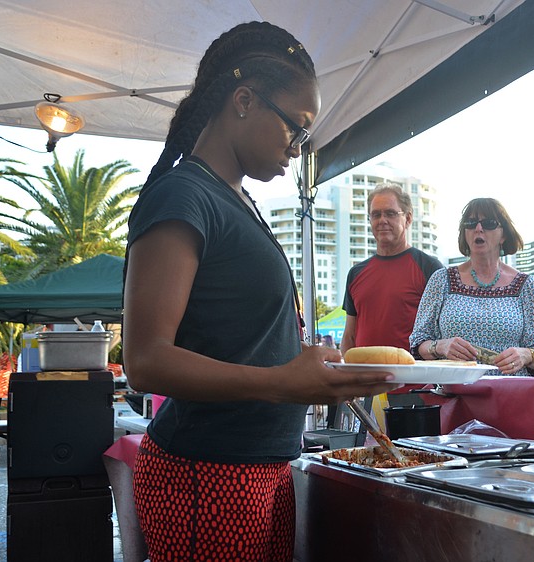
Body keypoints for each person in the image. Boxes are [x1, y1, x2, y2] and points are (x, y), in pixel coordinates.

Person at [122, 22, 399, 561]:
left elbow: (236, 337)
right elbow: (144, 360)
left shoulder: (236, 201)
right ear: (243, 100)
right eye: (295, 128)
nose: (298, 148)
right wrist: (281, 383)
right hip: (206, 474)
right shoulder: (183, 196)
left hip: (261, 468)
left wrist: (308, 366)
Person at [410, 198, 534, 376]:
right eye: (470, 223)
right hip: (454, 394)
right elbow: (418, 342)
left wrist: (526, 355)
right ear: (464, 233)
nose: (478, 229)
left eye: (489, 223)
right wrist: (440, 346)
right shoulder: (441, 280)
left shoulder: (527, 286)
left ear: (503, 235)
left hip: (510, 395)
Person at [340, 182, 443, 355]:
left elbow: (442, 334)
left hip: (415, 380)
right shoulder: (355, 273)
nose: (382, 220)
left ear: (408, 218)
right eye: (376, 214)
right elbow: (349, 336)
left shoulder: (430, 269)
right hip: (365, 380)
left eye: (390, 213)